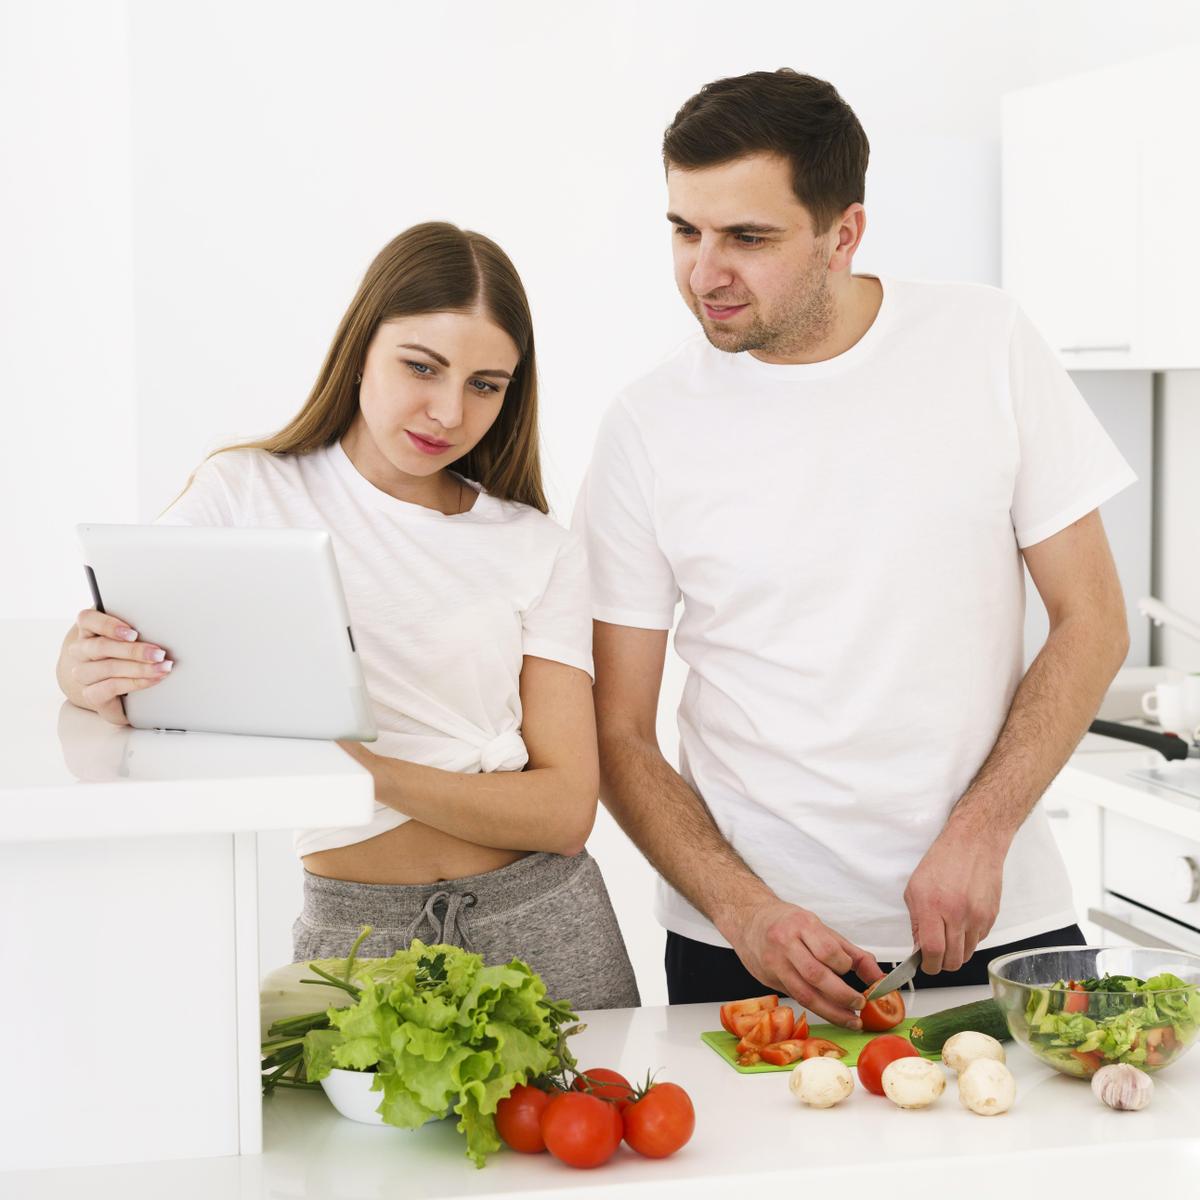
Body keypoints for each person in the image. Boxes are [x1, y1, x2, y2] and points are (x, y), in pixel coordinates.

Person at [574, 70, 1133, 1028]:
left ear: (844, 233)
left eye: (747, 237)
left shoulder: (985, 341)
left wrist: (982, 830)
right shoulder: (644, 426)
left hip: (999, 915)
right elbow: (618, 731)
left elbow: (1093, 621)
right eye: (684, 230)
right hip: (751, 949)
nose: (705, 271)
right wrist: (744, 909)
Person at [56, 222, 640, 1011]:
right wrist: (80, 671)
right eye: (421, 367)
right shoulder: (246, 495)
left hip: (545, 924)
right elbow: (134, 679)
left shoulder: (538, 547)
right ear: (361, 347)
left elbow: (566, 811)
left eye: (485, 384)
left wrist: (360, 771)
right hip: (358, 941)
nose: (447, 410)